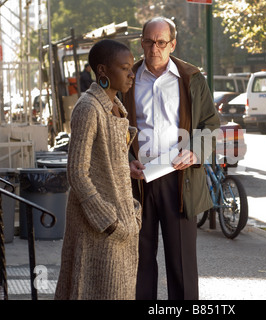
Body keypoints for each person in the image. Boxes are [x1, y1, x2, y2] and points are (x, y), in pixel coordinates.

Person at [121, 16, 220, 300]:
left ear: (172, 44)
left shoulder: (191, 78)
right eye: (149, 41)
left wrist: (196, 151)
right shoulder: (128, 78)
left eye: (161, 42)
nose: (154, 48)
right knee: (139, 261)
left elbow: (211, 124)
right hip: (138, 181)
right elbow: (115, 127)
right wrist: (127, 160)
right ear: (141, 43)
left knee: (181, 264)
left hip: (180, 181)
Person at [55, 39, 141, 300]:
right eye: (124, 68)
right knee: (94, 290)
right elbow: (77, 172)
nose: (131, 73)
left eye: (131, 67)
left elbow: (103, 161)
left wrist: (126, 170)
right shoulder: (89, 107)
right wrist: (108, 221)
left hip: (122, 221)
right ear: (102, 70)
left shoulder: (117, 106)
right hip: (99, 227)